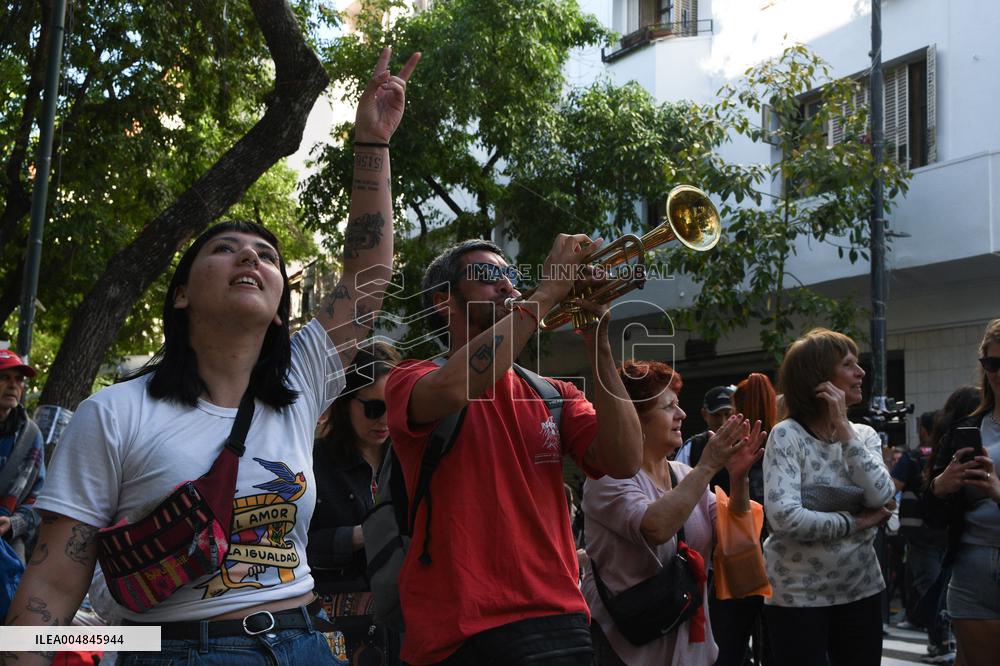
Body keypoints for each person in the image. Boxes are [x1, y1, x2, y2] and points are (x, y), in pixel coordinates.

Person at [5, 48, 420, 665]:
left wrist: (373, 144)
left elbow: (369, 270)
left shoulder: (301, 383)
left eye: (267, 255)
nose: (251, 258)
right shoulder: (113, 414)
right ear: (180, 294)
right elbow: (52, 585)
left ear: (281, 306)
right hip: (179, 650)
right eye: (225, 249)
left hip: (306, 643)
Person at [384, 237, 643, 664]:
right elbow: (457, 386)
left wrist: (597, 338)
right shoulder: (409, 378)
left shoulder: (554, 393)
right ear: (441, 301)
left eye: (511, 276)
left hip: (561, 618)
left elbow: (625, 458)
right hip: (462, 629)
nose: (506, 284)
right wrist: (546, 294)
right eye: (487, 275)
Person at [582, 359, 764, 665]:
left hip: (691, 650)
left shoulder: (683, 473)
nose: (682, 414)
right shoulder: (606, 477)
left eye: (678, 405)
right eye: (669, 407)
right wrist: (707, 466)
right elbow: (655, 527)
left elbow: (738, 544)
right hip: (626, 650)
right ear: (633, 418)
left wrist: (738, 477)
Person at [762, 328, 895, 666]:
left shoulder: (863, 434)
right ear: (819, 379)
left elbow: (882, 494)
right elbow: (785, 518)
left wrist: (843, 427)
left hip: (860, 587)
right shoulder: (786, 435)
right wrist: (857, 521)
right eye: (849, 365)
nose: (861, 372)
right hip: (797, 596)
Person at [309, 341, 401, 664]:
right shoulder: (314, 462)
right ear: (346, 402)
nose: (385, 420)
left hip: (403, 629)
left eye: (395, 405)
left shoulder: (409, 460)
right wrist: (360, 536)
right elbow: (292, 547)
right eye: (374, 408)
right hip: (336, 634)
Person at [922, 319, 1000, 666]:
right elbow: (932, 517)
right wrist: (941, 486)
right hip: (971, 564)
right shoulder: (967, 427)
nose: (998, 373)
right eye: (992, 364)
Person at [709, 372, 777, 666]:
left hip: (733, 558)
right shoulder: (784, 441)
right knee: (774, 646)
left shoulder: (721, 447)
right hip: (777, 560)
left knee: (729, 645)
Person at [0, 350, 44, 564]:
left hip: (7, 546)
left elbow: (38, 498)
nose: (13, 385)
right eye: (4, 377)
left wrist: (13, 523)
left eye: (18, 379)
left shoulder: (31, 436)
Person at [674, 385, 735, 466]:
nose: (723, 421)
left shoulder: (748, 442)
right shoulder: (692, 447)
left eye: (728, 414)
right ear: (704, 414)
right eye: (716, 415)